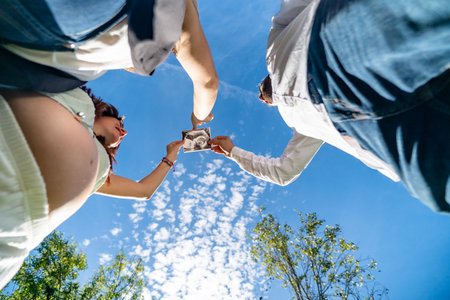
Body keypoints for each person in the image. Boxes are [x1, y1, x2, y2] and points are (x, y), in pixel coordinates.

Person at [210, 0, 450, 213]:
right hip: (373, 128)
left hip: (334, 45)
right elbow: (283, 172)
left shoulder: (275, 45)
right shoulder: (300, 127)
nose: (261, 99)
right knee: (439, 185)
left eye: (261, 93)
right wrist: (233, 152)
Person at [0, 86, 183, 289]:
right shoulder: (75, 96)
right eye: (119, 121)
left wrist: (171, 156)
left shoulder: (99, 167)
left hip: (11, 233)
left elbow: (143, 191)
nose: (124, 130)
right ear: (102, 111)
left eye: (122, 133)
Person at [0, 0, 218, 129]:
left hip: (31, 62)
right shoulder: (179, 11)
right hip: (50, 44)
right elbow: (207, 83)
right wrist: (198, 117)